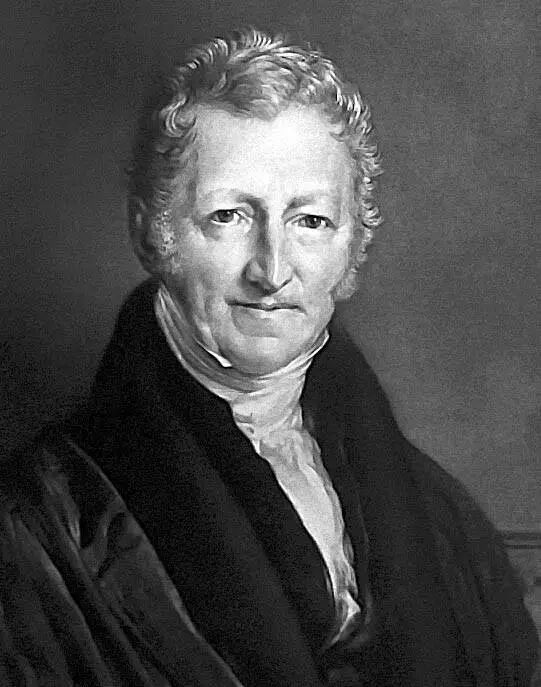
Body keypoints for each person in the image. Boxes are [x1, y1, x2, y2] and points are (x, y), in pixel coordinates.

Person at [0, 28, 538, 687]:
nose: (272, 270)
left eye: (309, 220)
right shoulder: (38, 524)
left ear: (352, 249)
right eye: (229, 215)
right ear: (152, 234)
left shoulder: (441, 516)